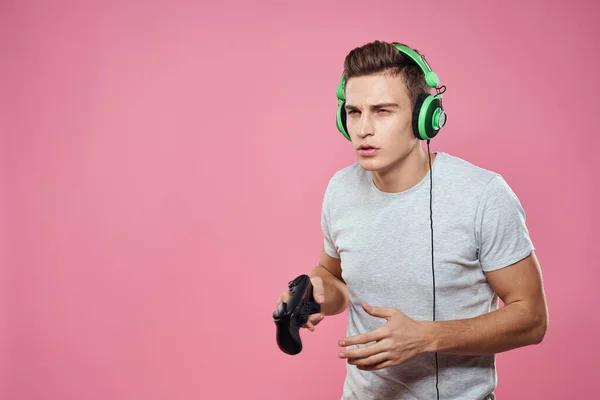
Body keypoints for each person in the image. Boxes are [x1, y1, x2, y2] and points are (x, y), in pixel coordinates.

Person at [275, 40, 548, 400]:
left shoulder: (483, 195)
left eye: (383, 111)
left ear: (425, 117)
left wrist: (425, 337)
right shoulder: (341, 188)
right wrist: (319, 293)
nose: (363, 129)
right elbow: (333, 275)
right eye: (354, 112)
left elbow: (531, 318)